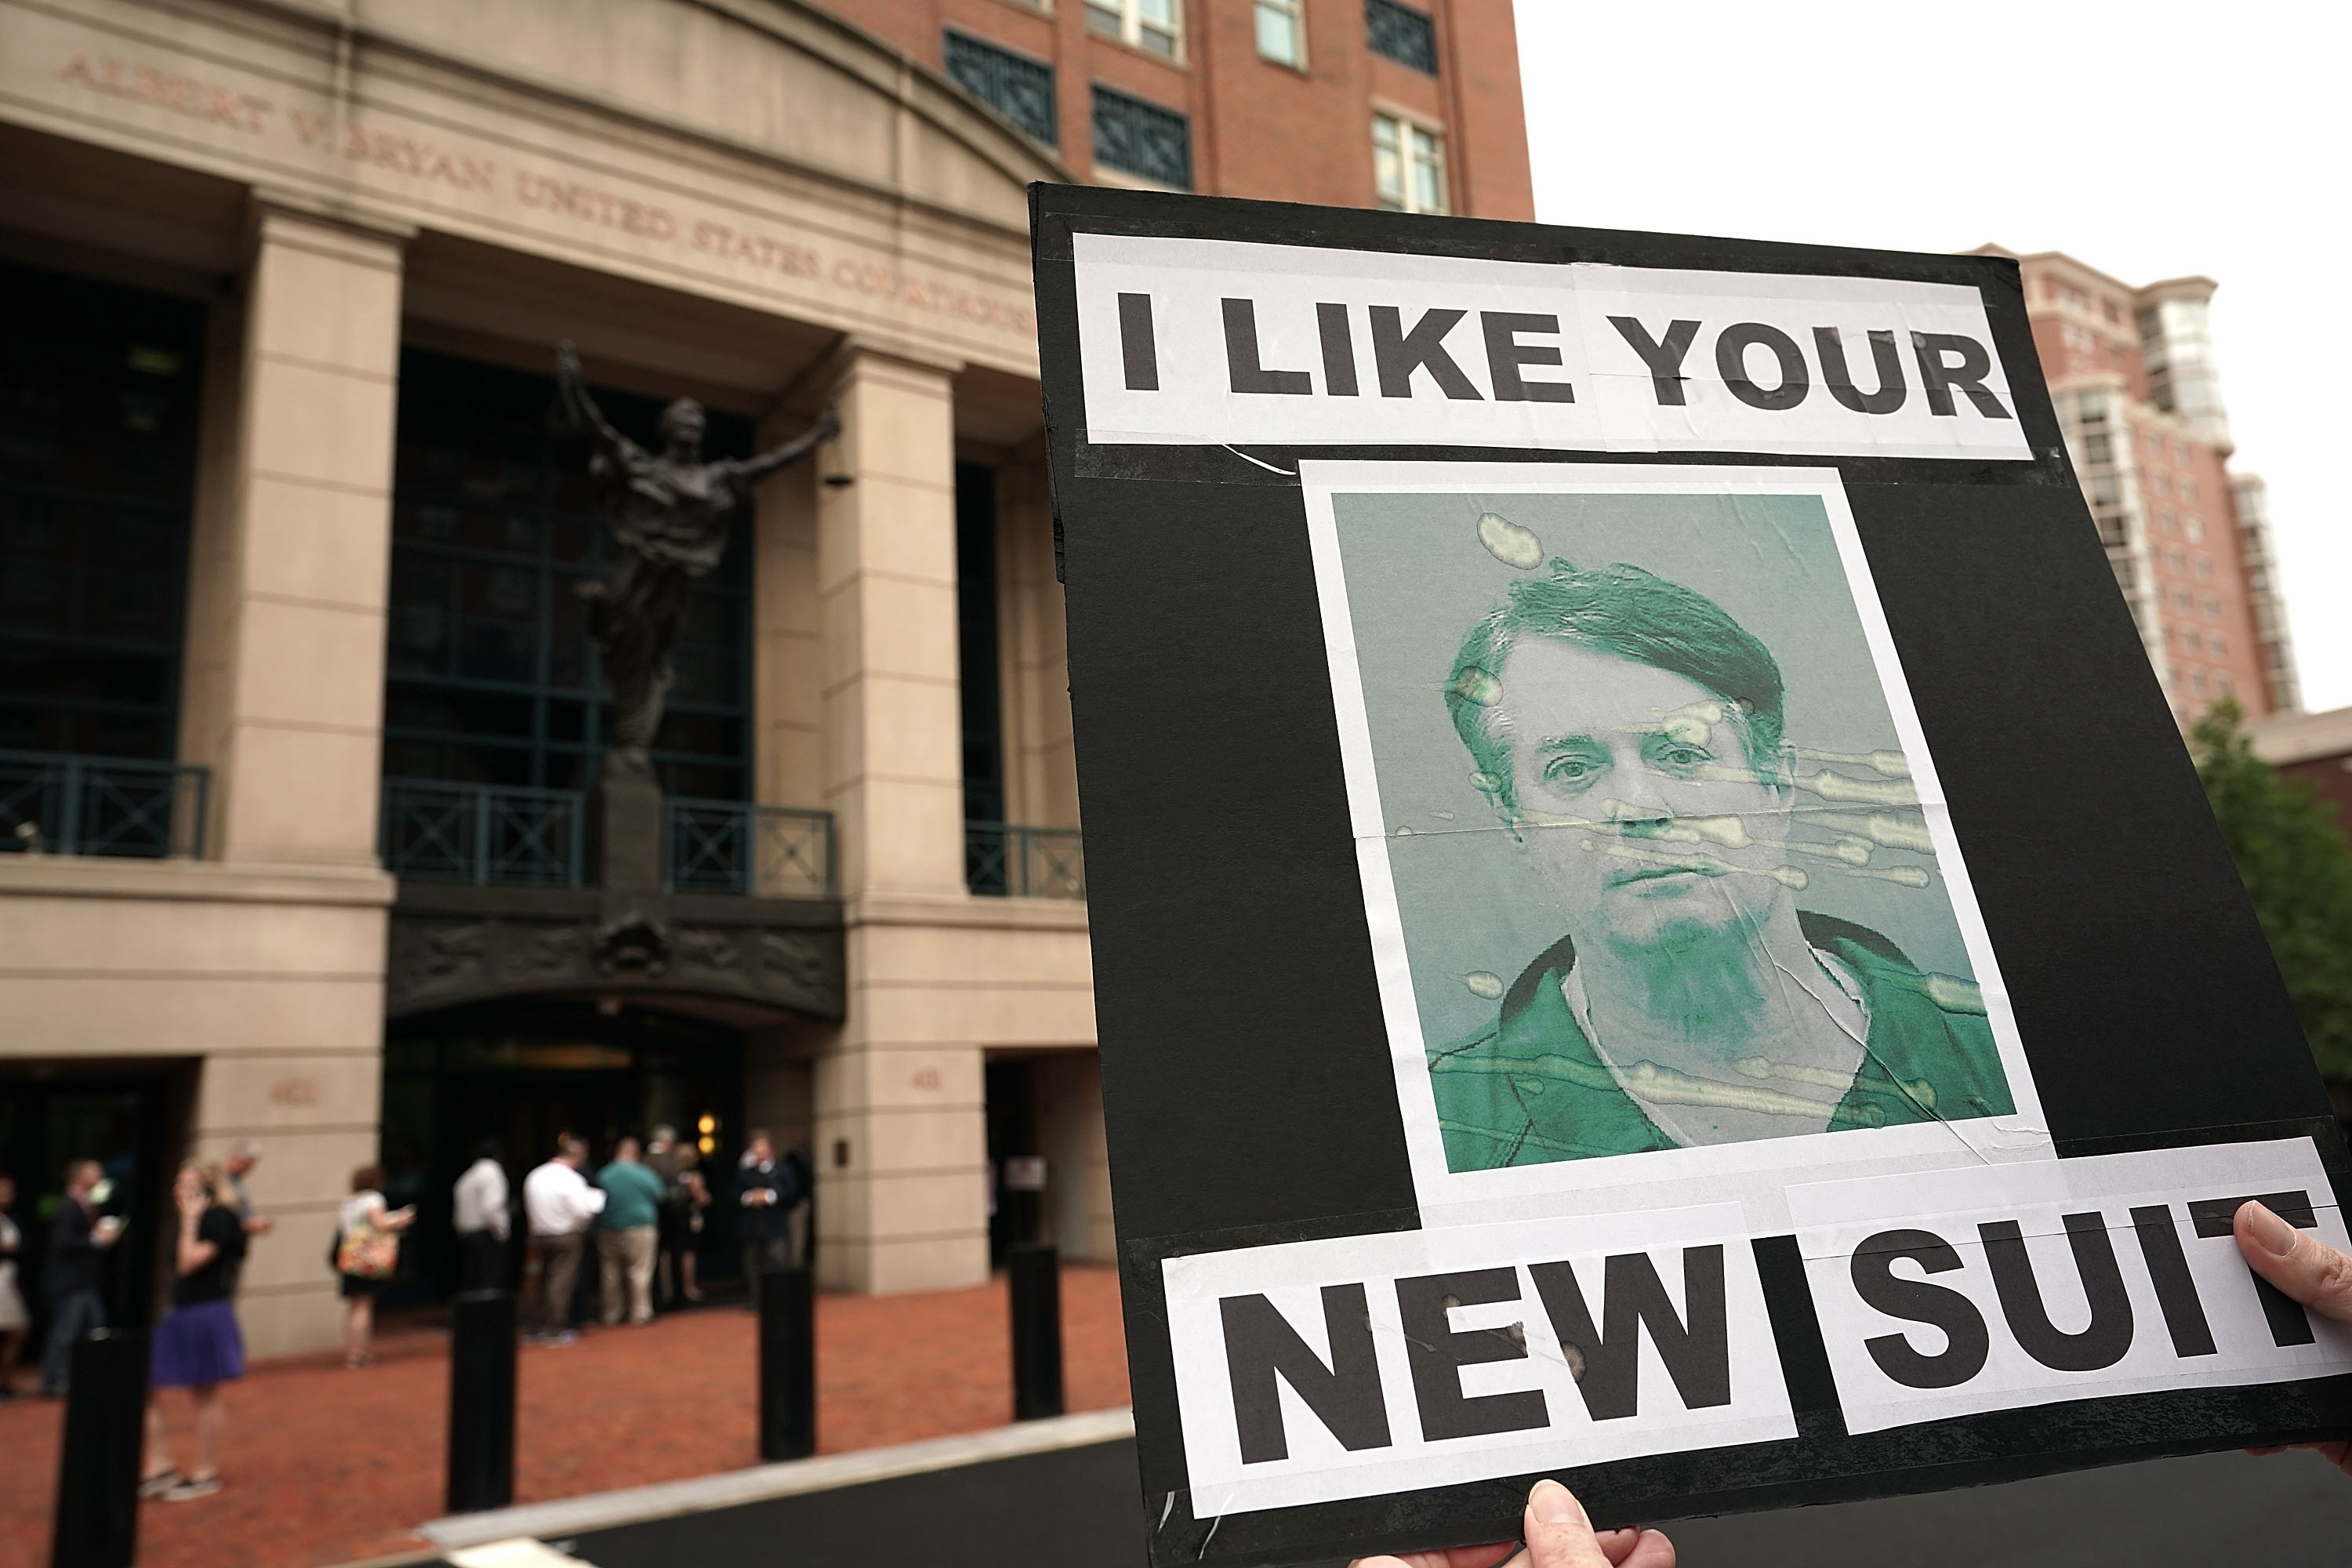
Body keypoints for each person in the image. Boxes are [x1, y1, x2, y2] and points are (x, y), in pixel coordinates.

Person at [1432, 557, 2012, 1167]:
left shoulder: (2011, 1053)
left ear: (1776, 780)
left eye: (1682, 754)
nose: (1638, 805)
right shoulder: (1443, 1131)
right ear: (1512, 819)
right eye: (1572, 768)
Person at [140, 1162, 249, 1504]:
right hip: (183, 1313)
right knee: (146, 1384)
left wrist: (189, 1221)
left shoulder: (216, 1219)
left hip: (205, 1313)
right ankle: (160, 1465)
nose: (178, 1189)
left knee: (205, 1394)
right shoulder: (201, 1219)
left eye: (187, 1184)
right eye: (178, 1182)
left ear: (207, 1189)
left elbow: (188, 1263)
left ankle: (205, 1471)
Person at [40, 1159, 123, 1398]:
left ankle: (88, 1377)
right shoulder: (68, 1205)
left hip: (85, 1282)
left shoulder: (87, 1204)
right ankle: (54, 1381)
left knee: (96, 1327)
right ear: (79, 1177)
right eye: (95, 1171)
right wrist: (94, 1240)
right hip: (70, 1283)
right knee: (65, 1332)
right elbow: (62, 1242)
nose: (100, 1175)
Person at [523, 1137, 604, 1345]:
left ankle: (534, 1326)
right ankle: (553, 1328)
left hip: (539, 1235)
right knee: (560, 1282)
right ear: (576, 1157)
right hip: (566, 1235)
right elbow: (582, 1211)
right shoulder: (571, 1179)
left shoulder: (536, 1175)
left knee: (539, 1281)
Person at [333, 1165, 414, 1368]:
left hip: (350, 1255)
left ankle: (352, 1351)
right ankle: (359, 1352)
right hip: (367, 1258)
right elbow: (379, 1224)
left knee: (353, 1306)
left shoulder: (349, 1201)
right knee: (364, 1304)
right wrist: (400, 1219)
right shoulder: (373, 1199)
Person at [593, 1137, 665, 1327]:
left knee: (610, 1272)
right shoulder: (643, 1173)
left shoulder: (605, 1174)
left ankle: (611, 1313)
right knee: (639, 1270)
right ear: (635, 1153)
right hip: (639, 1226)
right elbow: (660, 1193)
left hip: (608, 1227)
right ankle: (640, 1312)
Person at [735, 1130, 802, 1312]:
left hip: (775, 1226)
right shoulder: (746, 1173)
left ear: (769, 1149)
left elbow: (792, 1192)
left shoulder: (782, 1170)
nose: (758, 1152)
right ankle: (756, 1300)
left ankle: (780, 1300)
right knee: (752, 1265)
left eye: (761, 1148)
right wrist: (749, 1198)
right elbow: (734, 1194)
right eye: (755, 1149)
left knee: (778, 1262)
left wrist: (769, 1197)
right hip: (752, 1226)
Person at [452, 1139, 511, 1294]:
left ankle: (468, 1316)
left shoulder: (467, 1176)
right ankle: (484, 1317)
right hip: (486, 1233)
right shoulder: (493, 1174)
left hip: (466, 1232)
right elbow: (491, 1207)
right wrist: (501, 1232)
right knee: (488, 1281)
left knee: (471, 1279)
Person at [0, 1171, 27, 1399]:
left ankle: (5, 1384)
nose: (7, 1194)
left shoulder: (8, 1218)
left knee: (17, 1331)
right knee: (16, 1330)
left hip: (8, 1279)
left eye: (9, 1189)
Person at [221, 1141, 273, 1241]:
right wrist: (245, 1225)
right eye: (248, 1164)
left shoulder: (237, 1181)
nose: (249, 1169)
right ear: (238, 1159)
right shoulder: (219, 1180)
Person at [780, 1128, 815, 1269]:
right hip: (796, 1203)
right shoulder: (790, 1159)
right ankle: (795, 1266)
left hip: (805, 1200)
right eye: (796, 1137)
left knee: (803, 1234)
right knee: (796, 1235)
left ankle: (800, 1264)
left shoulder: (806, 1156)